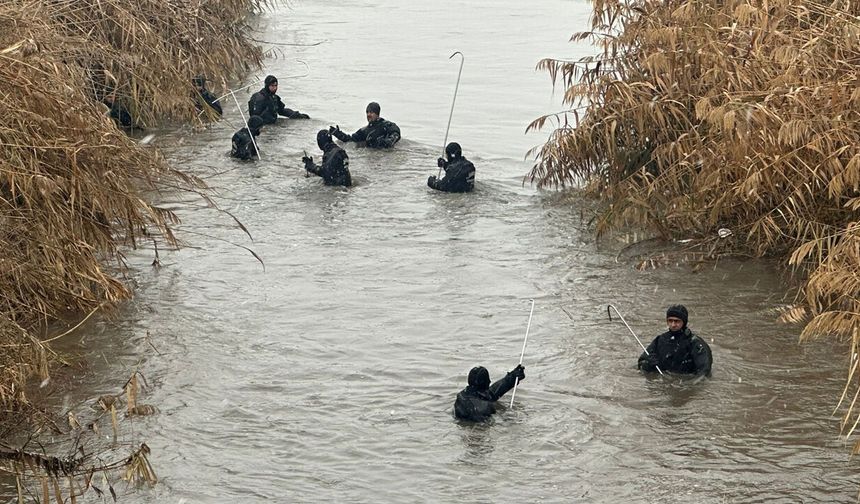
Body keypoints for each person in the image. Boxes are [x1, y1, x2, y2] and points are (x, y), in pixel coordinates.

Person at [638, 305, 713, 376]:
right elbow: (641, 363)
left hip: (685, 383)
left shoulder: (695, 343)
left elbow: (704, 372)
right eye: (670, 321)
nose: (673, 325)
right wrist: (649, 365)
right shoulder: (660, 340)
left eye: (677, 321)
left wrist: (687, 385)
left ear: (684, 322)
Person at [454, 364, 526, 422]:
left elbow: (494, 391)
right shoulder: (484, 407)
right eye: (487, 380)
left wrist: (513, 377)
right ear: (484, 383)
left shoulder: (462, 395)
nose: (490, 381)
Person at [329, 101, 400, 149]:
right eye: (367, 112)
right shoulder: (365, 130)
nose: (368, 114)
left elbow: (396, 133)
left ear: (377, 114)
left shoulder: (386, 125)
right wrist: (337, 133)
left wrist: (387, 142)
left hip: (385, 157)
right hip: (372, 156)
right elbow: (351, 140)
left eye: (371, 112)